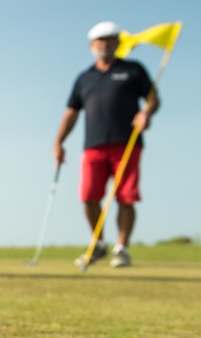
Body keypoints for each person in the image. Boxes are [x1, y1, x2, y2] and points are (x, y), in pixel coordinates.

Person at [53, 21, 159, 268]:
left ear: (118, 43)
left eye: (111, 39)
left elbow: (153, 98)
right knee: (89, 196)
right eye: (100, 40)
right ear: (92, 45)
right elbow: (71, 112)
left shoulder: (133, 70)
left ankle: (121, 248)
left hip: (127, 142)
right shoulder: (84, 78)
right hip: (94, 145)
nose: (105, 44)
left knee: (126, 197)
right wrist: (59, 142)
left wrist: (146, 113)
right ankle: (98, 244)